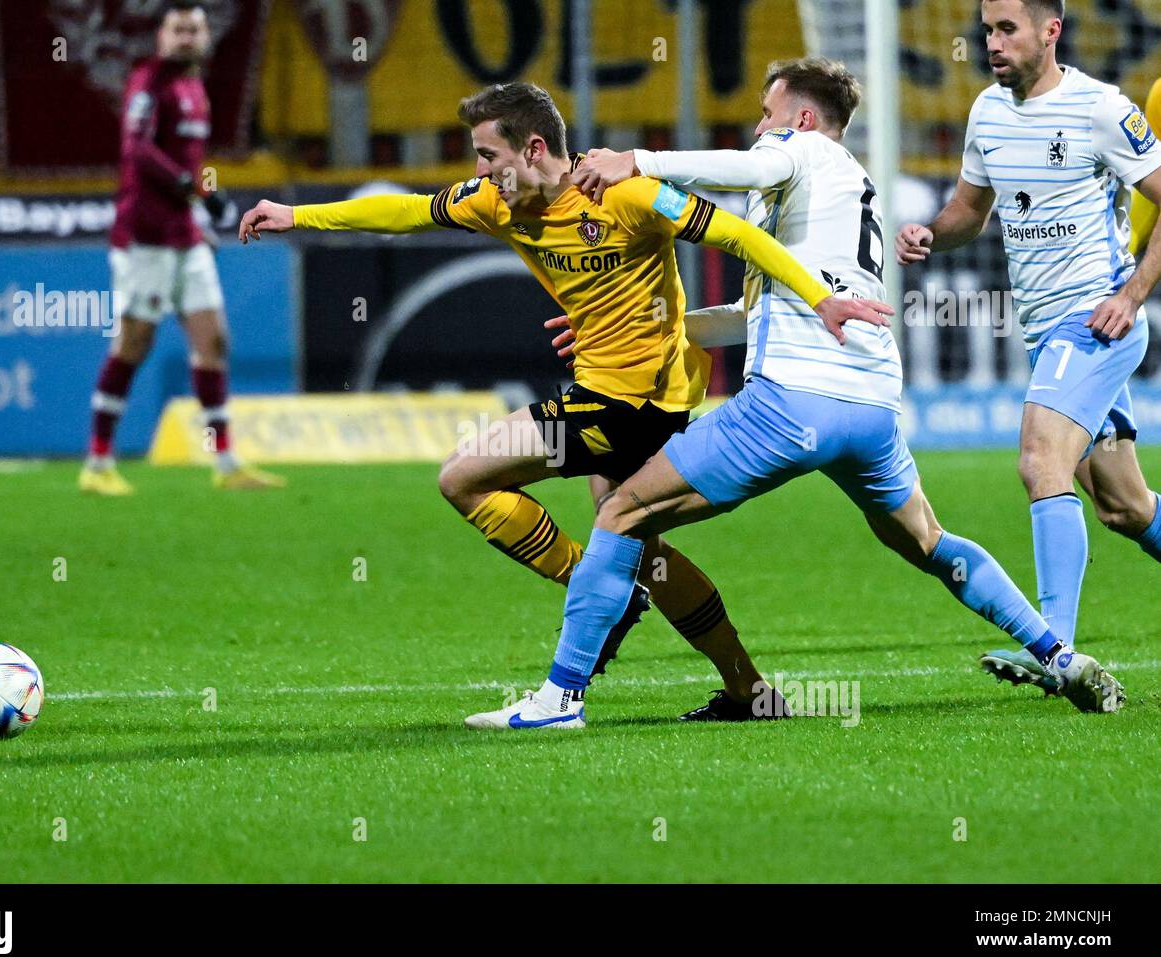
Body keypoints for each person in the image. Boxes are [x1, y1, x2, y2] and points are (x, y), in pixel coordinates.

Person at [463, 56, 1124, 732]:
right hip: (869, 409)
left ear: (803, 120)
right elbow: (767, 312)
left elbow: (747, 167)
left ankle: (560, 700)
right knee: (929, 541)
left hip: (789, 405)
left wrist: (642, 160)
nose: (760, 128)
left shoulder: (799, 150)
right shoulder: (847, 191)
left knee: (621, 511)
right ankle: (1057, 651)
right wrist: (662, 325)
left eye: (767, 113)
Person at [238, 82, 891, 721]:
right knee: (644, 544)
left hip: (635, 408)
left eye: (489, 156)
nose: (480, 172)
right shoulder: (496, 203)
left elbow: (736, 236)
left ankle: (601, 591)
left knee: (464, 476)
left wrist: (820, 297)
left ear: (534, 148)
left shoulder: (625, 191)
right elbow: (406, 212)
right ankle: (747, 688)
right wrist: (296, 217)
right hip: (605, 396)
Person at [895, 0, 1161, 693]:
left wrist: (1130, 296)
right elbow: (969, 212)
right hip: (1047, 335)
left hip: (1094, 325)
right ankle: (1062, 647)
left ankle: (1057, 650)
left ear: (1052, 31)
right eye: (986, 29)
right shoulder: (986, 112)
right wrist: (932, 232)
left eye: (1006, 28)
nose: (991, 42)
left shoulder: (1100, 109)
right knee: (1124, 507)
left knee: (1040, 460)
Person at [81, 1, 285, 495]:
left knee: (213, 340)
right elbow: (136, 149)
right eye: (179, 29)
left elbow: (191, 167)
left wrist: (209, 200)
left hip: (184, 235)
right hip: (145, 236)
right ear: (161, 37)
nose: (188, 37)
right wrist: (188, 187)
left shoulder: (195, 88)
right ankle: (98, 463)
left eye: (195, 28)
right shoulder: (148, 81)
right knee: (134, 344)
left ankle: (226, 463)